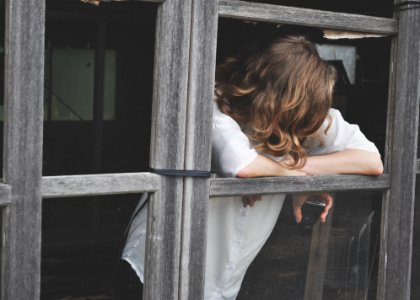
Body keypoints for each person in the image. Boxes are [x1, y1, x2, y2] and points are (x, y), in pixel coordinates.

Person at [120, 32, 383, 300]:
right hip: (156, 268)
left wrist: (298, 175)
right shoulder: (213, 103)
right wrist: (291, 176)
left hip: (222, 283)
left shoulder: (309, 111)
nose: (300, 126)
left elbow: (371, 160)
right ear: (276, 98)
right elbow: (243, 166)